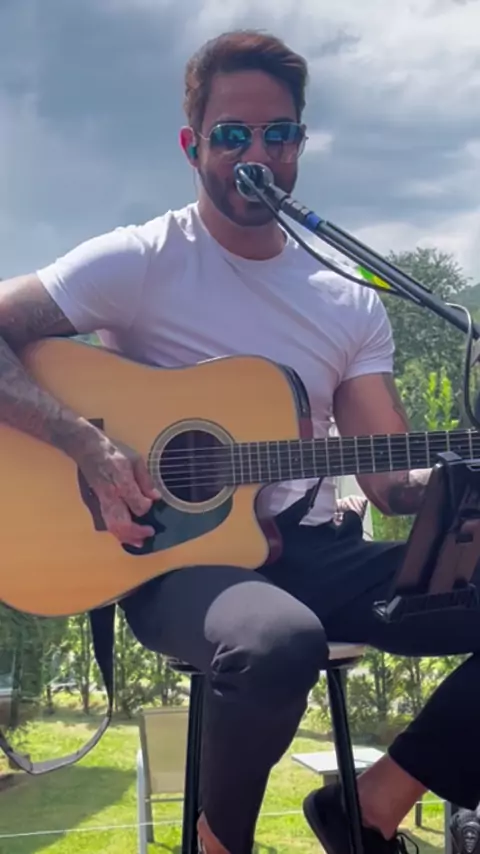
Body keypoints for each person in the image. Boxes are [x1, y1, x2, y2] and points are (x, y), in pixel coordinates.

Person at [0, 28, 479, 854]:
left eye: (278, 134)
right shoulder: (142, 259)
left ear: (300, 144)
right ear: (193, 147)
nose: (257, 154)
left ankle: (372, 804)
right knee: (276, 641)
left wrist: (456, 487)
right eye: (232, 135)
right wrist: (85, 444)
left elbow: (391, 483)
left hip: (319, 553)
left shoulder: (349, 300)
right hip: (176, 559)